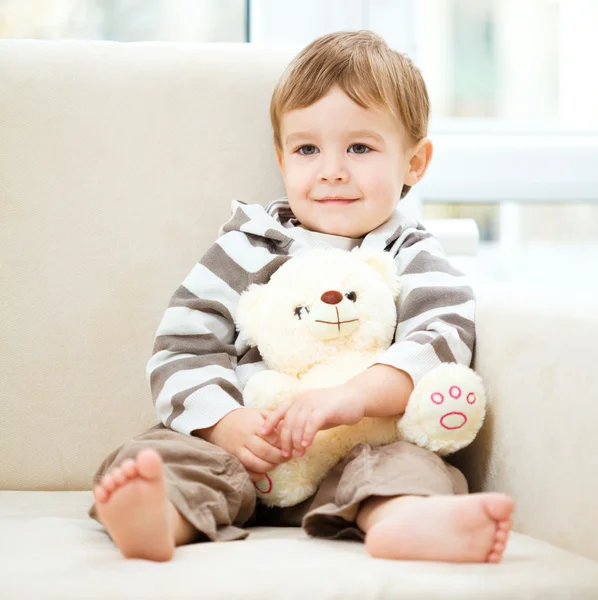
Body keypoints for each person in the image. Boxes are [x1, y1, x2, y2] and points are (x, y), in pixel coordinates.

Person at [89, 30, 514, 563]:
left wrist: (355, 395)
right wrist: (223, 423)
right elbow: (183, 343)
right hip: (249, 449)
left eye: (360, 147)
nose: (331, 169)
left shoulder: (411, 253)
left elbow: (444, 336)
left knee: (415, 466)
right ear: (282, 157)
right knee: (158, 452)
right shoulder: (246, 246)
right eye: (307, 148)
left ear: (414, 163)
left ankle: (402, 519)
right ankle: (160, 516)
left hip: (360, 446)